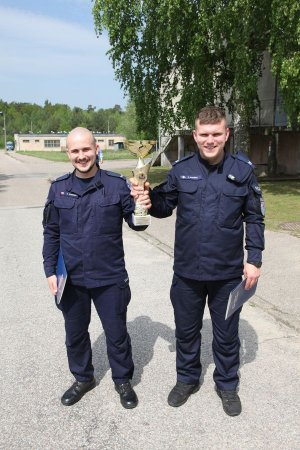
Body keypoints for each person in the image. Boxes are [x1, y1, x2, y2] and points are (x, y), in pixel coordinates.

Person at [130, 106, 265, 416]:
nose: (210, 140)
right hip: (188, 272)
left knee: (227, 334)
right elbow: (164, 205)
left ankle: (227, 385)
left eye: (216, 134)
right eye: (204, 134)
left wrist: (254, 259)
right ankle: (187, 380)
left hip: (228, 273)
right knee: (186, 332)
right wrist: (147, 200)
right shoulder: (181, 169)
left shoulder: (243, 170)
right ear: (195, 136)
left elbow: (255, 217)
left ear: (226, 134)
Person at [42, 127, 150, 408]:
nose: (81, 156)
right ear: (68, 153)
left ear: (96, 149)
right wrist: (49, 270)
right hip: (72, 278)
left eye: (86, 149)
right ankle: (83, 378)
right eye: (75, 151)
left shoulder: (116, 185)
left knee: (116, 334)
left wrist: (142, 206)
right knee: (75, 334)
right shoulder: (59, 188)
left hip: (109, 276)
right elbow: (51, 232)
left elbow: (137, 224)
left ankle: (122, 380)